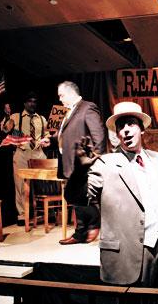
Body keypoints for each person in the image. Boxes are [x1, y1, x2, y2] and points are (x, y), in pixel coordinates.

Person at [72, 102, 158, 288]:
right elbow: (79, 198)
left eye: (131, 124)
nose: (126, 130)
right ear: (117, 133)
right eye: (121, 126)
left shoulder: (156, 159)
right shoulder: (105, 164)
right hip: (131, 254)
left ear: (142, 129)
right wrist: (79, 172)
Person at [44, 81, 106, 245]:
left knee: (84, 196)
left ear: (71, 93)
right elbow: (62, 134)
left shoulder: (87, 107)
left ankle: (93, 225)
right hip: (68, 161)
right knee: (74, 196)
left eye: (61, 95)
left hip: (83, 161)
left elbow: (98, 135)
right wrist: (49, 140)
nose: (60, 99)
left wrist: (95, 157)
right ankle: (80, 232)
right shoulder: (65, 112)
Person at [0, 92, 48, 225]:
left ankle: (48, 211)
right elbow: (5, 129)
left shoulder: (42, 119)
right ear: (25, 103)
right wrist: (6, 115)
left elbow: (48, 134)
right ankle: (22, 214)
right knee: (20, 184)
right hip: (22, 152)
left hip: (38, 152)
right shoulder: (16, 117)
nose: (32, 103)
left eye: (34, 101)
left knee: (47, 181)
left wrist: (47, 140)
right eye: (30, 101)